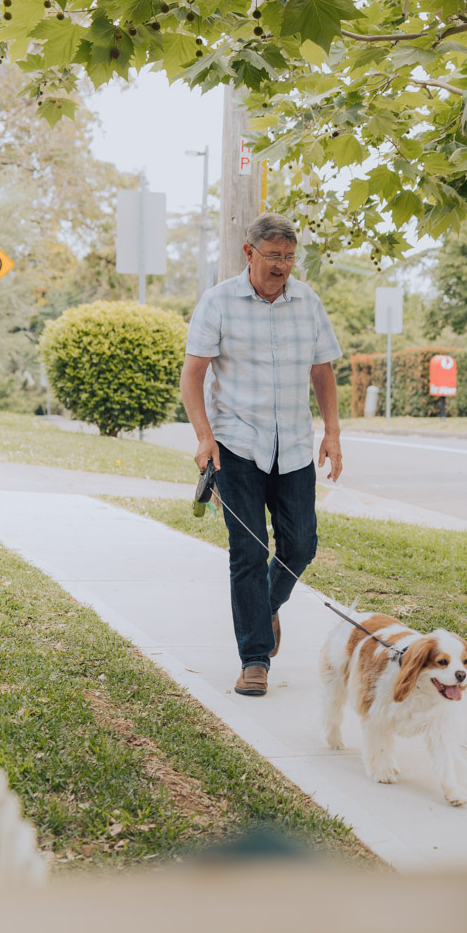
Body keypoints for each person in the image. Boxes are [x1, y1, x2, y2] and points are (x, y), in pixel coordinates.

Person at [180, 213, 344, 697]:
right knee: (248, 552)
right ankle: (254, 660)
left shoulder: (306, 301)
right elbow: (193, 375)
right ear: (249, 253)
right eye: (273, 256)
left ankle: (264, 607)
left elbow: (323, 370)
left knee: (300, 546)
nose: (282, 266)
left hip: (292, 445)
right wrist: (204, 436)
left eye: (289, 257)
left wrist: (332, 432)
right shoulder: (218, 302)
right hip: (236, 444)